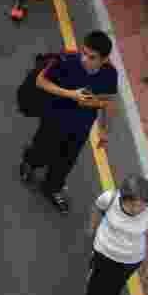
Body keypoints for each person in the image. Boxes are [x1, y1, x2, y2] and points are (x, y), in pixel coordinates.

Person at [20, 30, 117, 213]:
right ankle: (29, 163)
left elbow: (108, 101)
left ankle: (51, 188)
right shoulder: (65, 61)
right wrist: (71, 94)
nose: (85, 59)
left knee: (66, 161)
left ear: (104, 60)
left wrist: (104, 130)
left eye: (92, 57)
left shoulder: (110, 74)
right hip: (53, 119)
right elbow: (41, 82)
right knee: (42, 151)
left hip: (80, 127)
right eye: (84, 53)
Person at [82, 174, 148, 295]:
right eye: (134, 204)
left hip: (130, 261)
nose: (139, 209)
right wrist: (92, 228)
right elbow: (97, 208)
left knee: (115, 288)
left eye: (143, 204)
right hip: (105, 254)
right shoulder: (110, 198)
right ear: (124, 198)